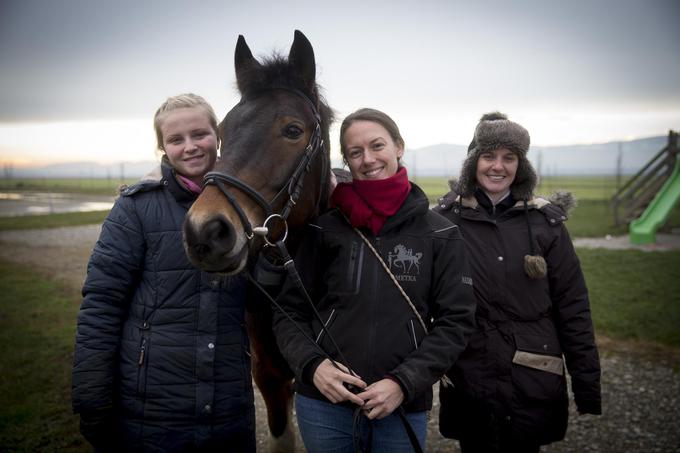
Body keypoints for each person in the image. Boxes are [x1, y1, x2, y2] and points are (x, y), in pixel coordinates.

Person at [272, 108, 476, 452]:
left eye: (377, 145)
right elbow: (288, 311)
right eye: (355, 152)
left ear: (399, 146)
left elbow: (456, 322)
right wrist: (313, 366)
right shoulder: (322, 229)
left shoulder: (441, 234)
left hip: (399, 406)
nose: (368, 159)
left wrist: (403, 382)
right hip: (324, 404)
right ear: (347, 161)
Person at [71, 93, 256, 452]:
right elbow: (101, 305)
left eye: (199, 134)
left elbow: (266, 295)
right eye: (176, 139)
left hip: (228, 406)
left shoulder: (248, 206)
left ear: (219, 137)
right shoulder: (135, 208)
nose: (190, 147)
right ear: (162, 147)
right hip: (150, 408)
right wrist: (92, 398)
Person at [435, 112, 602, 452]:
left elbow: (573, 307)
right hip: (470, 370)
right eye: (488, 156)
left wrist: (586, 384)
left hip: (532, 371)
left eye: (508, 158)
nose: (498, 166)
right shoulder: (444, 222)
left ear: (520, 165)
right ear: (472, 162)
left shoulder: (547, 225)